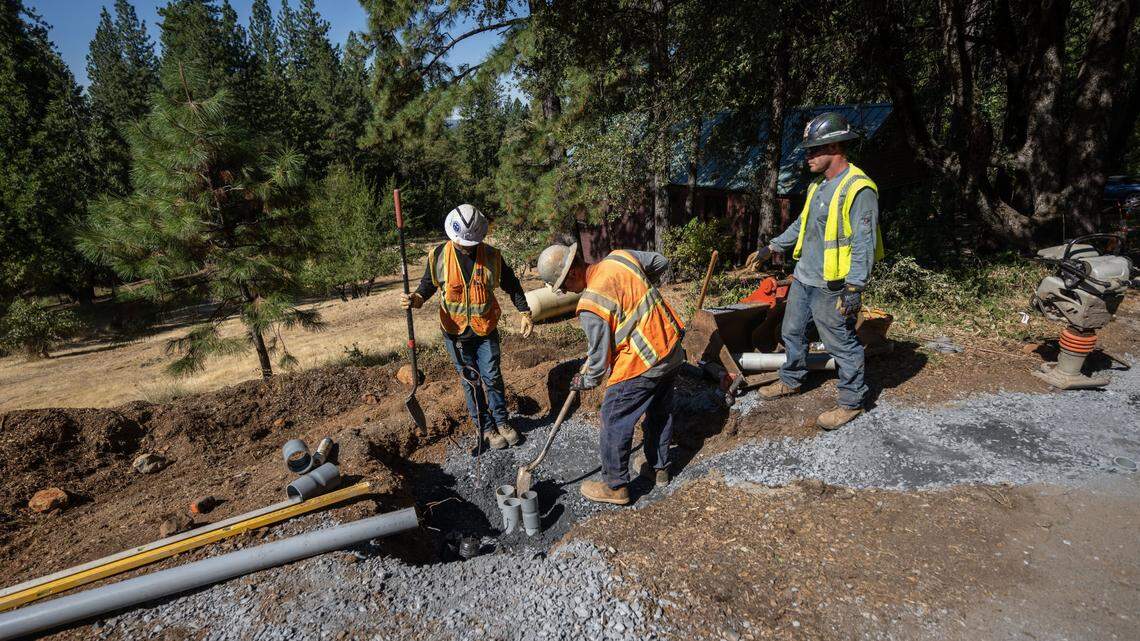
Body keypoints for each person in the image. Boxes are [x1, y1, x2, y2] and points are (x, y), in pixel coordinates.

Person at [745, 111, 884, 430]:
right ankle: (791, 379)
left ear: (834, 148)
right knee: (791, 331)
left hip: (832, 285)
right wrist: (771, 248)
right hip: (804, 276)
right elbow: (802, 225)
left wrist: (854, 287)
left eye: (813, 150)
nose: (807, 156)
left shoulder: (859, 189)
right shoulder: (818, 186)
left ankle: (851, 401)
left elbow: (863, 243)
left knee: (841, 343)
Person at [536, 242, 685, 505]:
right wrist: (636, 288)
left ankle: (615, 486)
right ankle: (658, 468)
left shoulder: (591, 303)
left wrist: (585, 380)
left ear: (572, 272)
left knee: (614, 418)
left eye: (562, 285)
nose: (564, 291)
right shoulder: (621, 258)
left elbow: (598, 360)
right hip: (670, 348)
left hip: (643, 361)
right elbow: (661, 261)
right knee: (659, 409)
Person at [400, 204, 534, 449]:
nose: (468, 247)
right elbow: (426, 288)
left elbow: (511, 284)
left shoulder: (492, 256)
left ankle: (502, 421)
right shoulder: (439, 256)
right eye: (464, 242)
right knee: (471, 381)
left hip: (486, 328)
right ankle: (485, 427)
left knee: (492, 376)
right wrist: (415, 299)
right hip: (455, 333)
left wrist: (525, 311)